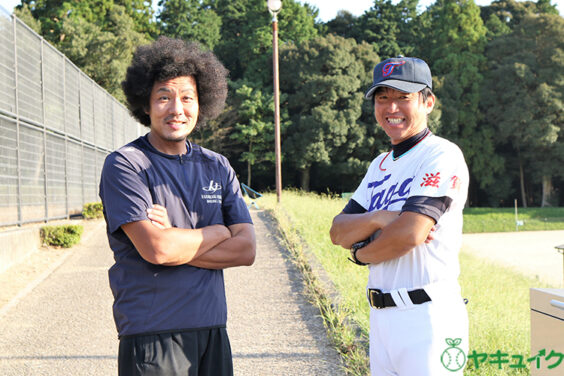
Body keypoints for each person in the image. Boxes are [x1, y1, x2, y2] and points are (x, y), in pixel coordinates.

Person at [99, 36, 256, 376]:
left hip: (213, 328)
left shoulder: (217, 165)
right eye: (164, 97)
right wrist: (218, 231)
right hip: (151, 333)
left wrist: (177, 238)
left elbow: (246, 250)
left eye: (187, 98)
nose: (177, 109)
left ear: (202, 103)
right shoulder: (126, 165)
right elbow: (157, 250)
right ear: (145, 103)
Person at [330, 56, 469, 375]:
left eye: (403, 97)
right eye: (383, 97)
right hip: (382, 320)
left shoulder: (441, 154)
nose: (391, 108)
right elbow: (338, 231)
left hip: (429, 318)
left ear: (428, 101)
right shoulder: (379, 164)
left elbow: (410, 233)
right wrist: (380, 218)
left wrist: (361, 253)